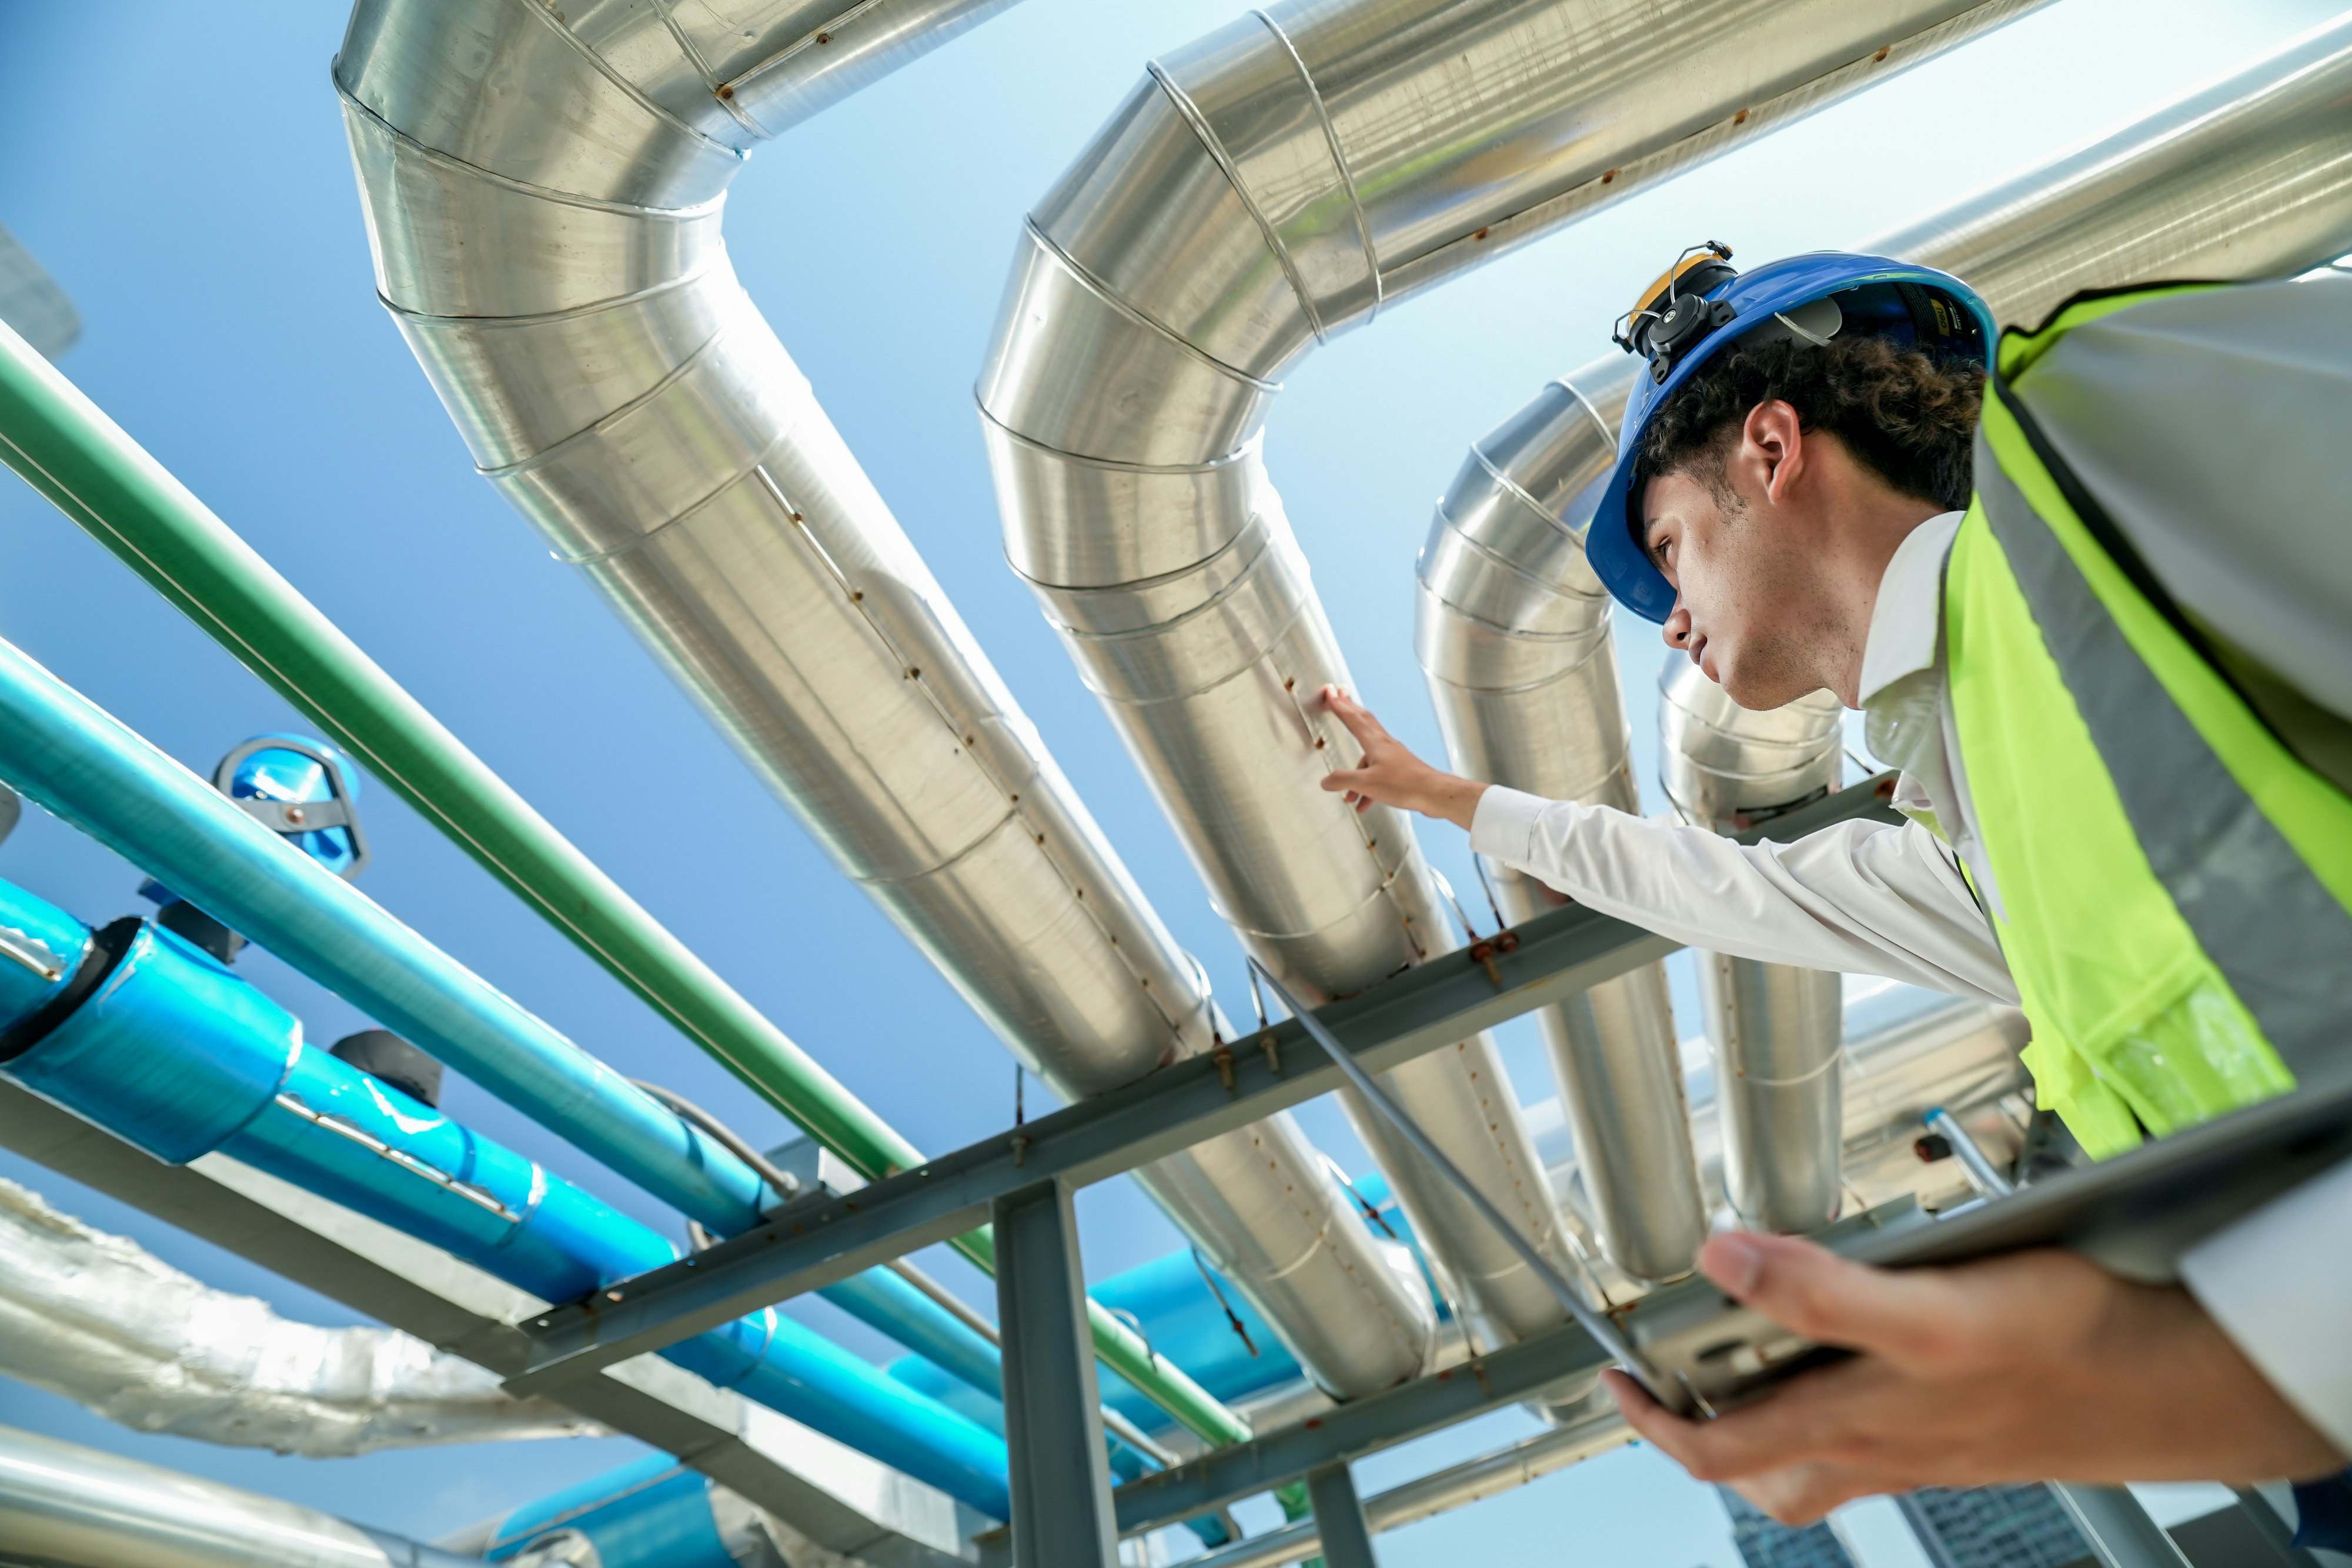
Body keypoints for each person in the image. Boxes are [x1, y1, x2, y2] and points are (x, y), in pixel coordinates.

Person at [1316, 246, 2352, 1525]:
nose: (1671, 620)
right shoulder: (1979, 848)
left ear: (1767, 448)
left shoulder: (2105, 441)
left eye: (1670, 546)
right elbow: (1715, 887)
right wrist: (1460, 802)